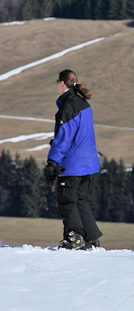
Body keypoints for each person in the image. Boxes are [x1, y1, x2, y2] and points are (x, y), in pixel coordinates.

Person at [44, 69, 102, 250]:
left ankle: (74, 238)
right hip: (88, 163)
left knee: (67, 201)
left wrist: (52, 162)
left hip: (72, 164)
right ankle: (91, 238)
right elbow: (78, 134)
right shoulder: (82, 103)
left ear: (62, 83)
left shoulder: (68, 106)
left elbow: (64, 138)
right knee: (81, 200)